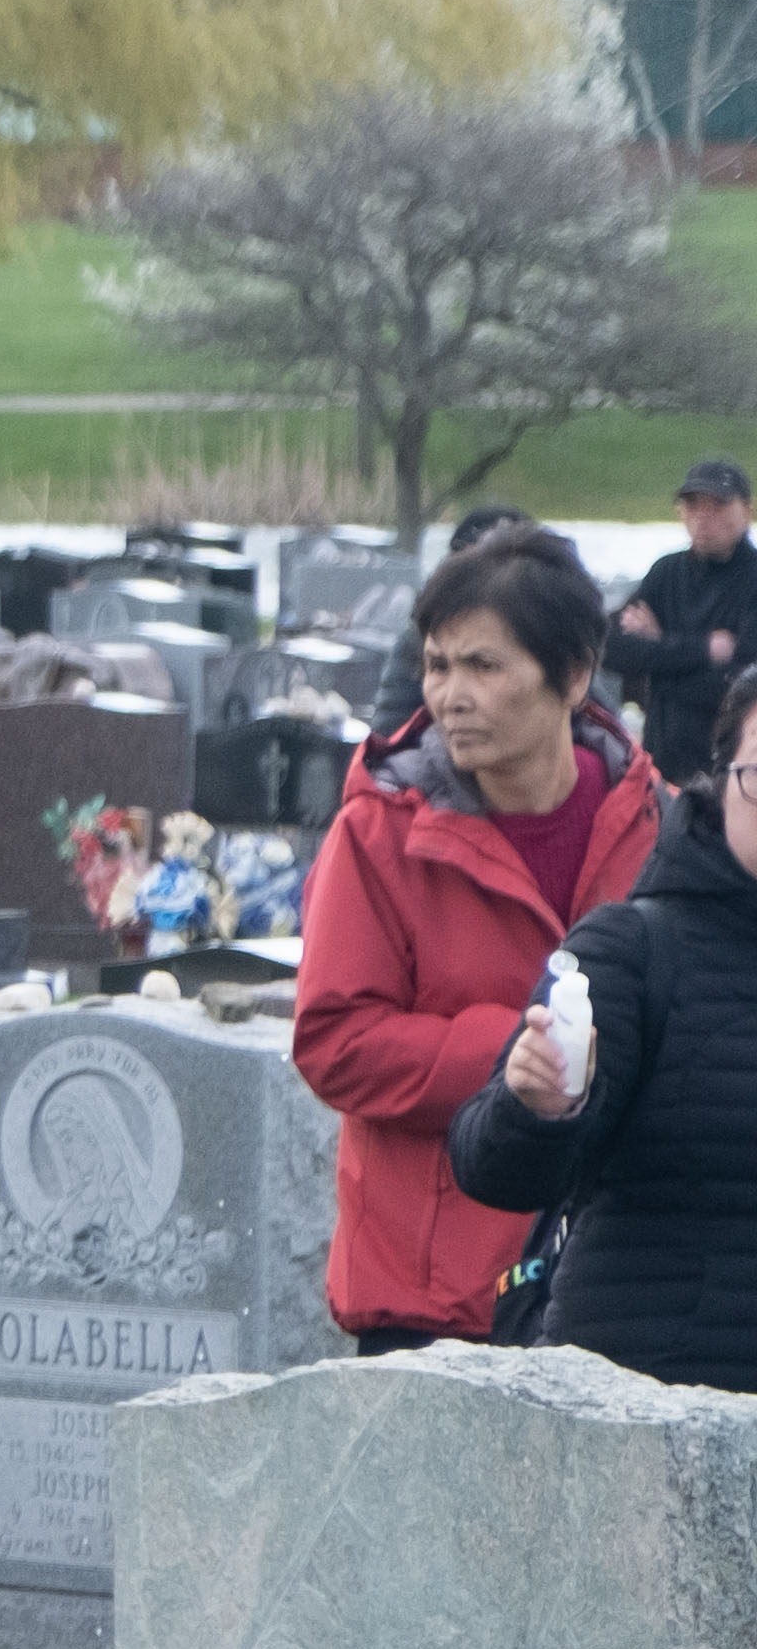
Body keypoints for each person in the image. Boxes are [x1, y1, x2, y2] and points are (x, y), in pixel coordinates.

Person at [299, 529, 660, 1350]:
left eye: (483, 666)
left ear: (573, 676)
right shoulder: (381, 833)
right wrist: (517, 1058)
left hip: (611, 1295)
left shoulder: (657, 826)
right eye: (438, 665)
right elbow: (335, 1040)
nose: (450, 695)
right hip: (430, 1299)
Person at [448, 706, 757, 1393]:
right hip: (651, 1411)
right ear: (720, 782)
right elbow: (492, 1170)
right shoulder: (634, 948)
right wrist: (540, 1107)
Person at [607, 462, 757, 785]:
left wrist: (658, 656)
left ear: (746, 510)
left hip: (731, 771)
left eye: (718, 505)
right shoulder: (666, 573)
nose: (703, 516)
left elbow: (739, 687)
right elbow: (611, 648)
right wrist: (703, 649)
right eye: (693, 505)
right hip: (662, 765)